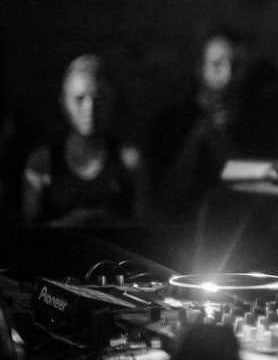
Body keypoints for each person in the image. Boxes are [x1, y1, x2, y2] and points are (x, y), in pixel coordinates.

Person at [21, 54, 147, 226]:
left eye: (98, 98)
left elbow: (144, 230)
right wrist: (70, 224)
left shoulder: (130, 161)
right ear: (64, 104)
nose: (89, 109)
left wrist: (103, 222)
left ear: (111, 102)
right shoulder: (42, 161)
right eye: (79, 99)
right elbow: (27, 233)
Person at [147, 27, 249, 223]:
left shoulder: (256, 120)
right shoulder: (169, 121)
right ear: (199, 68)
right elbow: (160, 197)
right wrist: (198, 136)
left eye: (236, 66)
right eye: (216, 65)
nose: (227, 76)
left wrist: (221, 139)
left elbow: (253, 194)